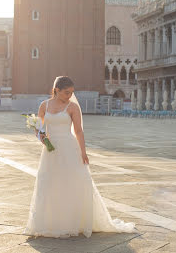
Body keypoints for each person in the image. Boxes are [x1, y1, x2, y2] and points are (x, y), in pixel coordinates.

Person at [24, 76, 135, 238]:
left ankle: (73, 221)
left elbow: (78, 131)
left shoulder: (73, 107)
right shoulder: (44, 106)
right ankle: (50, 222)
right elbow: (39, 129)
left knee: (72, 182)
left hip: (69, 148)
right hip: (50, 151)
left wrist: (83, 152)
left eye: (71, 93)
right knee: (49, 182)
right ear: (56, 90)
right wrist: (42, 139)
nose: (69, 95)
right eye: (66, 93)